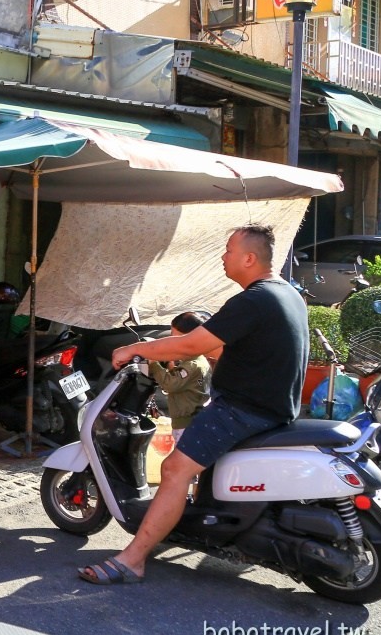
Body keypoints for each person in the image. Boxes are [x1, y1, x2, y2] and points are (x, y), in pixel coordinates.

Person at [79, 224, 306, 585]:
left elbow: (187, 345)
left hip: (242, 409)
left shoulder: (254, 299)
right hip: (272, 407)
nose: (223, 255)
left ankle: (133, 559)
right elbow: (238, 346)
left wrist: (133, 348)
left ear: (249, 258)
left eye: (229, 249)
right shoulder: (286, 294)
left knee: (173, 470)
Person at [147, 311, 214, 443]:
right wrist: (171, 365)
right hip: (191, 422)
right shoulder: (197, 361)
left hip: (186, 425)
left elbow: (170, 384)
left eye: (176, 337)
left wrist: (153, 363)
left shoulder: (192, 365)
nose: (171, 341)